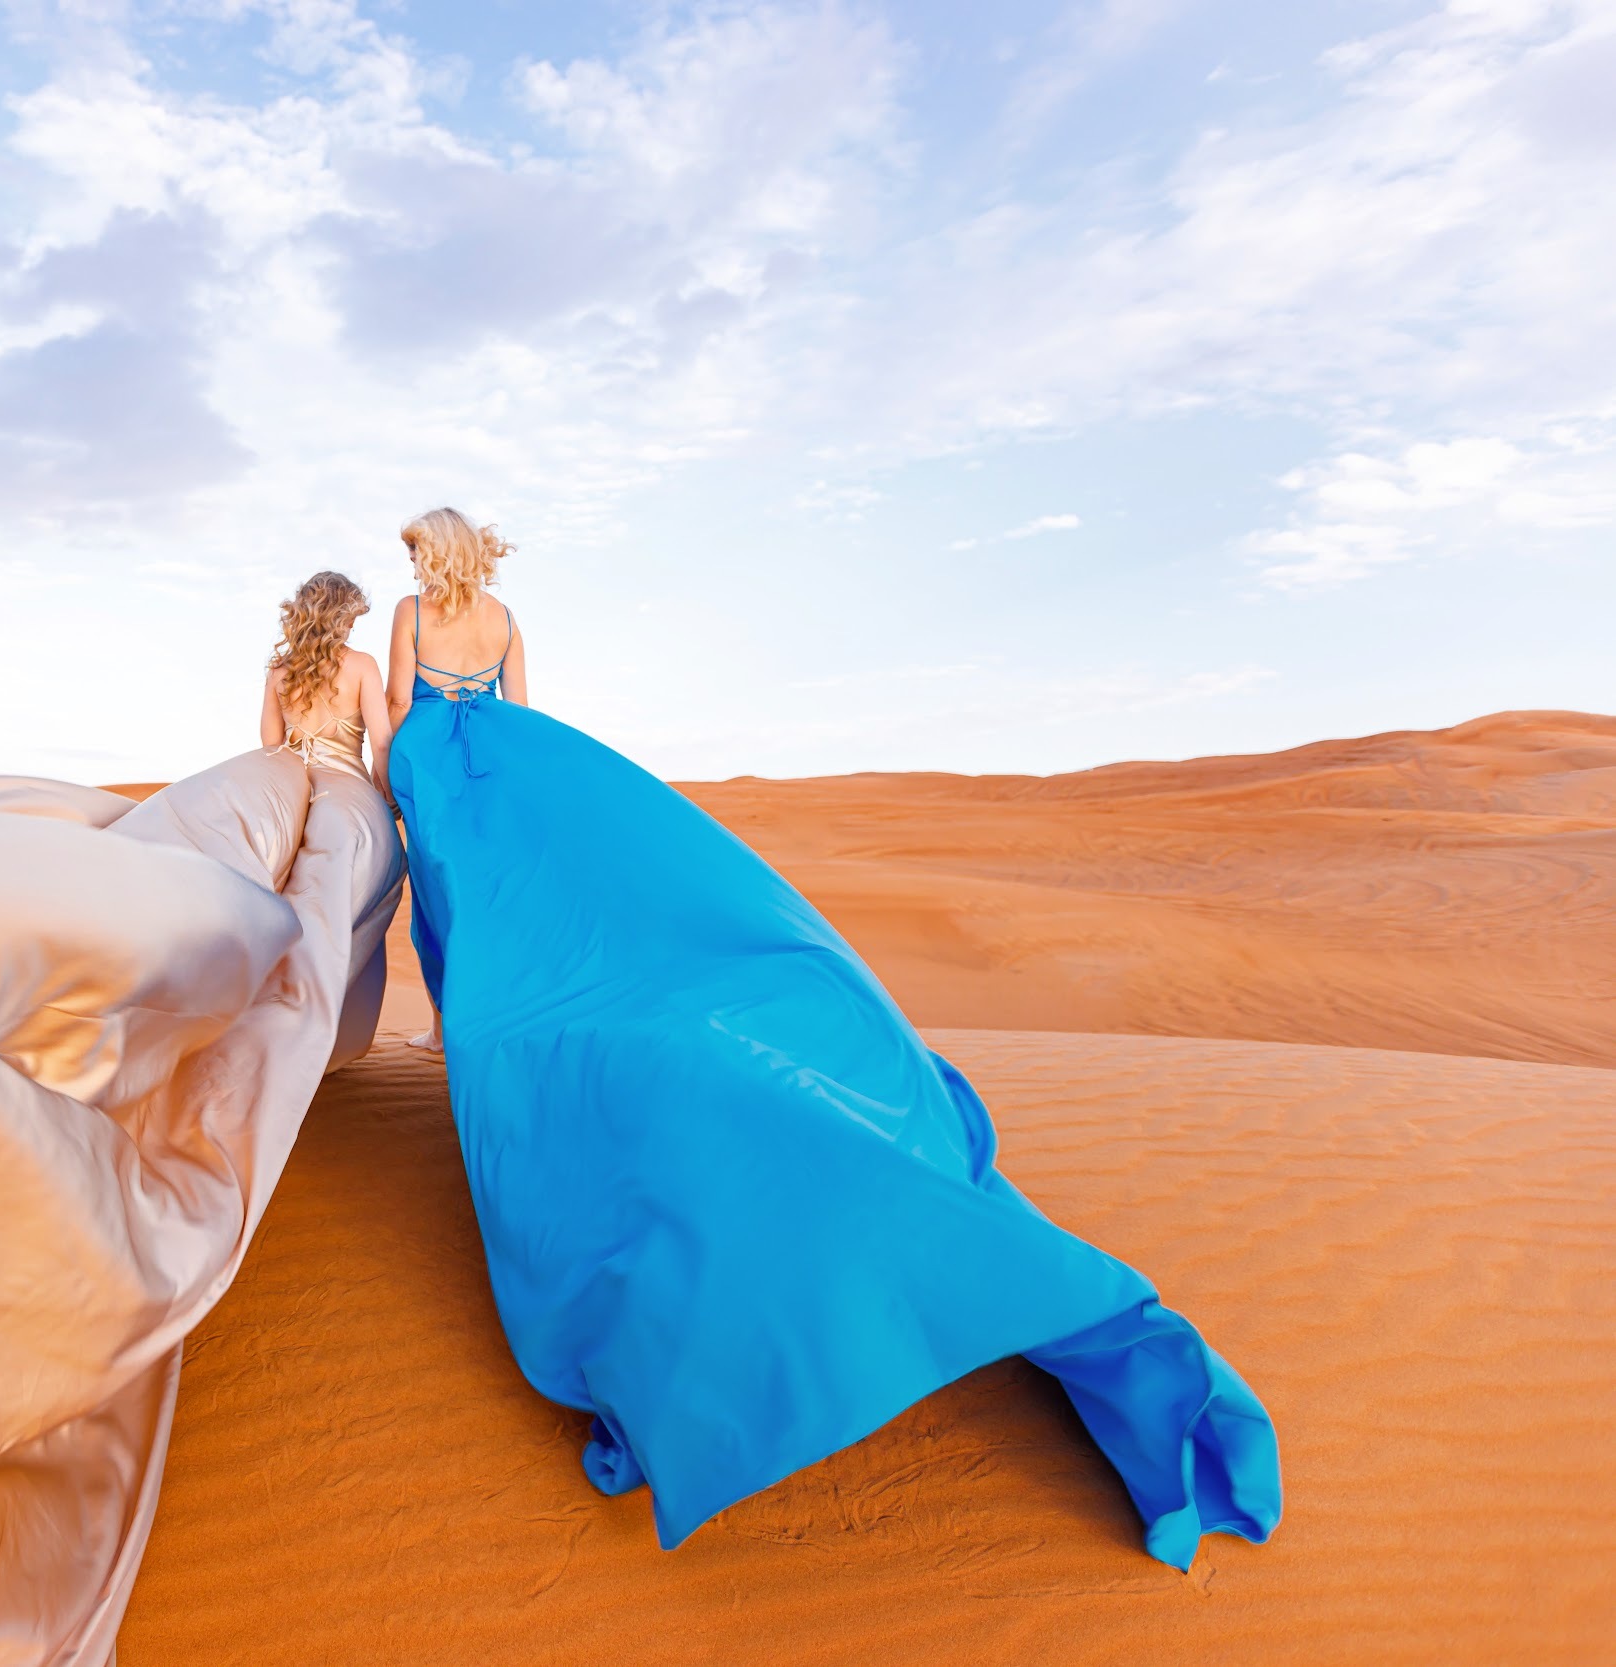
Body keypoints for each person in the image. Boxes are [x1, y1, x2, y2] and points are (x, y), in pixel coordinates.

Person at [379, 505, 1282, 1569]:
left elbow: (400, 708)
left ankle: (470, 1044)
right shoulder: (505, 615)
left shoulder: (409, 612)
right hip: (518, 779)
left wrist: (409, 788)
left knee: (477, 931)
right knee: (548, 922)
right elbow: (526, 714)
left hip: (439, 779)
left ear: (421, 557)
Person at [262, 570, 392, 789]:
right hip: (346, 789)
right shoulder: (363, 666)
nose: (353, 626)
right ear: (343, 618)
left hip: (293, 791)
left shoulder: (279, 672)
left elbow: (270, 748)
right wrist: (388, 795)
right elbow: (381, 745)